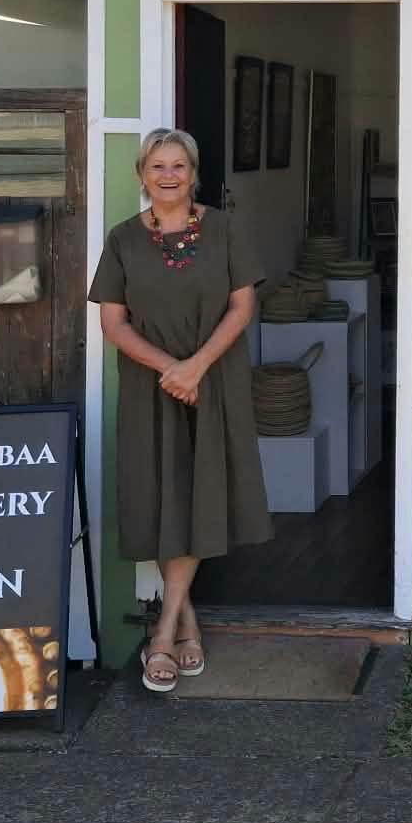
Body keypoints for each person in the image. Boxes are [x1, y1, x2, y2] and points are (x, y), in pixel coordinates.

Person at [89, 128, 270, 692]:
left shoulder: (224, 228)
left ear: (193, 173)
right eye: (157, 165)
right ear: (141, 175)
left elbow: (243, 306)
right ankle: (186, 621)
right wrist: (171, 368)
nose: (169, 175)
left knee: (200, 494)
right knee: (164, 496)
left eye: (179, 166)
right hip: (150, 386)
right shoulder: (123, 239)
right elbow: (112, 323)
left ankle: (163, 632)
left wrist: (195, 368)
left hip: (213, 382)